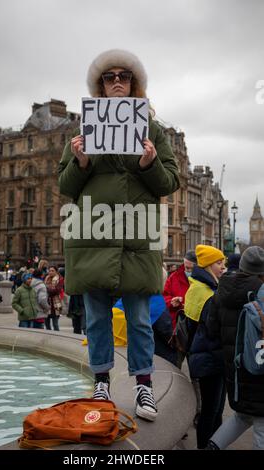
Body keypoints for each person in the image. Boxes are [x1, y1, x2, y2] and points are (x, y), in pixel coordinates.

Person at [58, 49, 180, 421]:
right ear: (100, 85)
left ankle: (144, 386)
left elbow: (170, 181)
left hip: (135, 236)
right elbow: (65, 185)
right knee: (96, 320)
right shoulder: (83, 130)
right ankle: (101, 383)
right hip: (92, 234)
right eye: (109, 77)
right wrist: (80, 163)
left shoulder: (153, 130)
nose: (116, 82)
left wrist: (149, 163)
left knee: (140, 319)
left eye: (123, 76)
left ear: (133, 83)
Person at [205, 246, 264, 450]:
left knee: (242, 416)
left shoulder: (222, 288)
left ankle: (212, 446)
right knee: (261, 424)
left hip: (235, 369)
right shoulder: (260, 292)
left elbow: (211, 328)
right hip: (259, 367)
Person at [184, 244, 226, 449]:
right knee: (212, 411)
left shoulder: (197, 287)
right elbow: (212, 329)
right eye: (219, 263)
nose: (222, 267)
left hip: (203, 355)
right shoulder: (208, 292)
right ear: (208, 265)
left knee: (211, 410)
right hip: (211, 357)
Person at [44, 266, 64, 331]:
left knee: (55, 324)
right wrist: (50, 289)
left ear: (56, 271)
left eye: (52, 271)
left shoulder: (59, 279)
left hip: (56, 304)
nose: (51, 272)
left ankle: (57, 337)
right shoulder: (46, 278)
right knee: (47, 323)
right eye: (50, 271)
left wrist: (47, 289)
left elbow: (57, 290)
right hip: (47, 303)